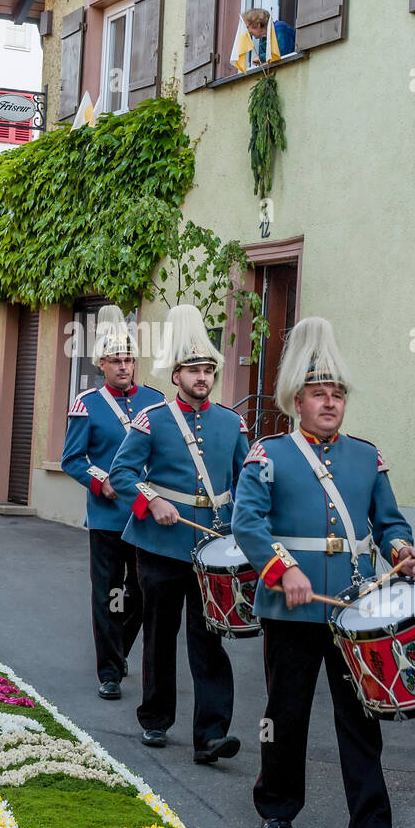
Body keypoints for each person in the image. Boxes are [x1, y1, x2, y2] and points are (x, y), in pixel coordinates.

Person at [231, 317, 415, 828]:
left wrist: (402, 549)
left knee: (362, 717)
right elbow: (248, 525)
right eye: (320, 393)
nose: (331, 402)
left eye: (337, 394)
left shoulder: (366, 456)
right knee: (285, 711)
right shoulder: (270, 454)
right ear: (297, 400)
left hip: (355, 608)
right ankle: (278, 805)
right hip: (293, 608)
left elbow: (389, 523)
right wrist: (283, 568)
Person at [109, 305, 248, 763]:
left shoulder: (232, 423)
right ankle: (155, 718)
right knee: (160, 633)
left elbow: (246, 485)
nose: (202, 377)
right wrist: (152, 501)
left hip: (212, 548)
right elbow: (123, 474)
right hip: (160, 544)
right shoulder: (152, 419)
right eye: (193, 369)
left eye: (208, 369)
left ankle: (211, 734)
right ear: (177, 375)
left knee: (209, 638)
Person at [61, 306, 164, 699]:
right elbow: (72, 458)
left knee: (139, 592)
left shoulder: (155, 401)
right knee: (107, 592)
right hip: (106, 514)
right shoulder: (87, 403)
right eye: (115, 361)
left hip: (144, 515)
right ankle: (109, 670)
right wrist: (99, 481)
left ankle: (118, 650)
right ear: (101, 364)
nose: (123, 367)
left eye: (129, 360)